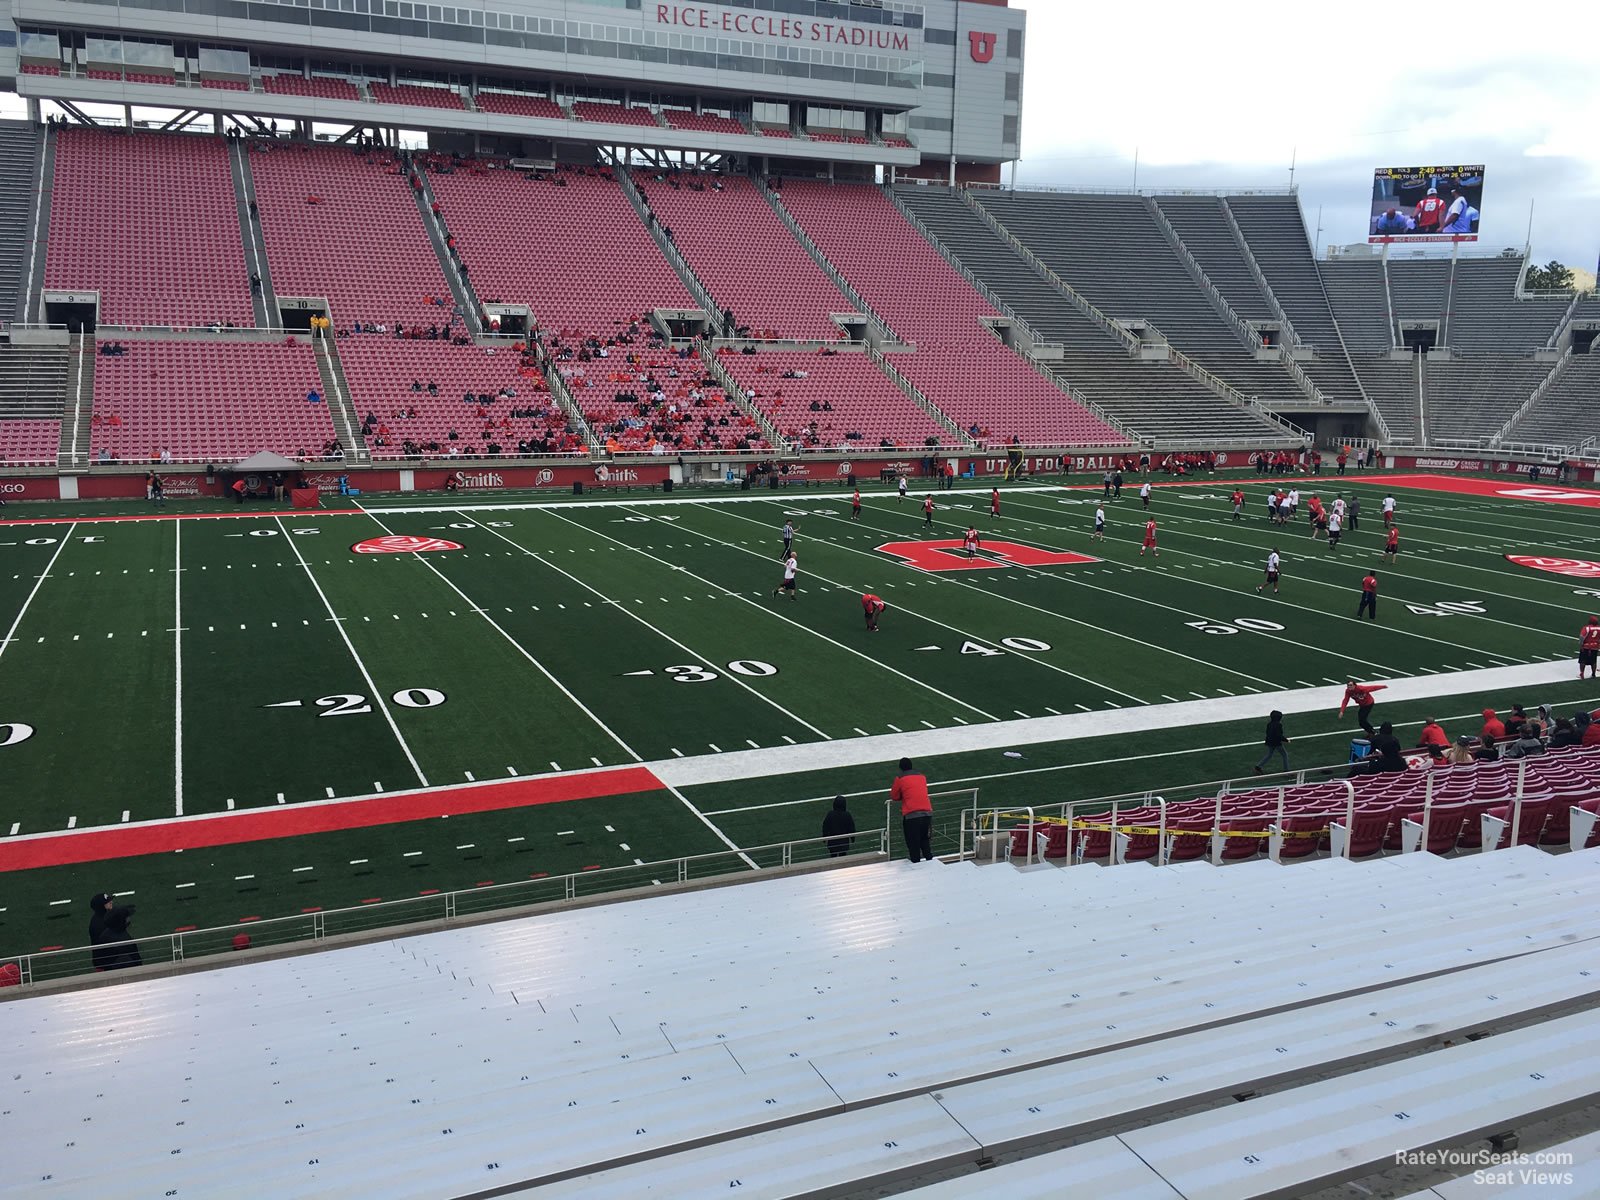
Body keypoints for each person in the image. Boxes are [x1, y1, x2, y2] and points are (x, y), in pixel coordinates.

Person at [891, 757, 933, 863]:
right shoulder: (921, 777)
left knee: (913, 844)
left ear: (900, 768)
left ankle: (916, 865)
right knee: (925, 841)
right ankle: (930, 862)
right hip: (927, 813)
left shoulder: (899, 778)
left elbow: (894, 796)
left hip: (911, 815)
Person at [88, 893, 142, 971]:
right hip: (109, 963)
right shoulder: (101, 925)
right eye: (108, 902)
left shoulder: (102, 918)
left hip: (109, 960)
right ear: (101, 907)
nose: (111, 902)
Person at [1254, 709, 1290, 774]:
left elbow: (1268, 733)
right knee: (1285, 755)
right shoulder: (1279, 725)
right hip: (1276, 743)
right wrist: (1286, 740)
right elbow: (1279, 735)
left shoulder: (1269, 724)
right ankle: (1286, 771)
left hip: (1269, 742)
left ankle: (1258, 767)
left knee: (1269, 754)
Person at [1579, 615, 1600, 680]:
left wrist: (1581, 644)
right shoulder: (1599, 628)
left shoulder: (1586, 628)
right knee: (1593, 661)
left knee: (1582, 660)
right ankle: (1593, 674)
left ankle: (1582, 673)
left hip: (1586, 646)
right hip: (1595, 646)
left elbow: (1582, 636)